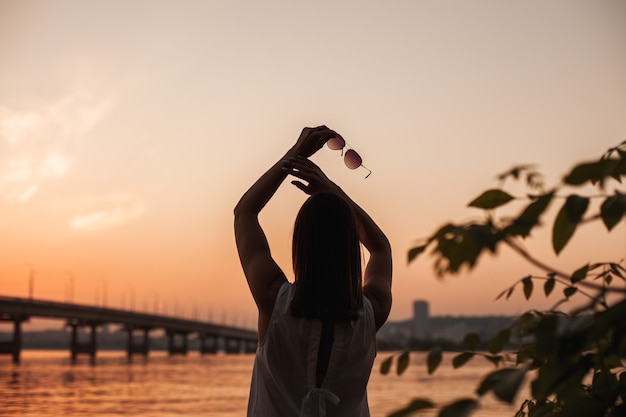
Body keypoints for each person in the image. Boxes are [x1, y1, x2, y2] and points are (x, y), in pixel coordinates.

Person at [234, 125, 393, 417]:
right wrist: (333, 191)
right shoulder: (373, 311)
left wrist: (294, 155)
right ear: (350, 246)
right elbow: (380, 247)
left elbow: (245, 212)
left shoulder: (273, 299)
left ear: (300, 245)